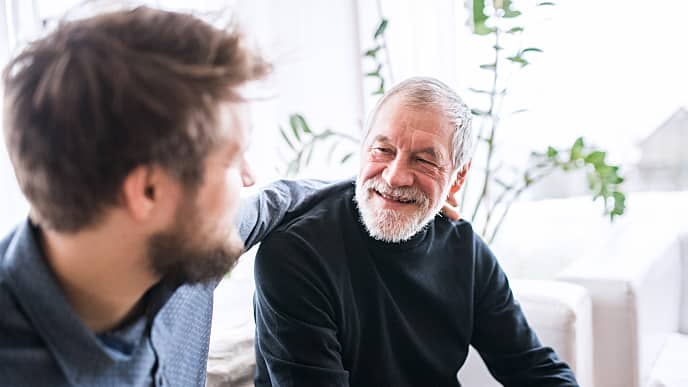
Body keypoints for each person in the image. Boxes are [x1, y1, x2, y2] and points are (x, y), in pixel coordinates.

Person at [0, 6, 331, 386]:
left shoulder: (171, 240)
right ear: (147, 191)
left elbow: (275, 201)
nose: (247, 176)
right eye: (230, 159)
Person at [253, 77, 580, 386]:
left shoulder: (464, 250)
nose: (395, 177)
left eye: (424, 160)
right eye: (383, 150)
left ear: (457, 179)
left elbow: (534, 368)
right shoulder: (296, 253)